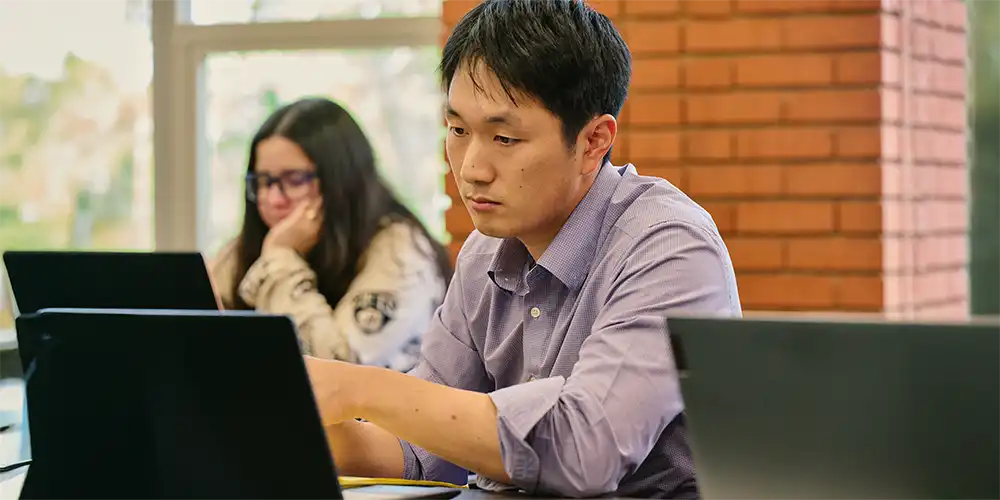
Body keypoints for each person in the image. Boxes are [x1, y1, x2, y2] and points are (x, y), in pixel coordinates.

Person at [302, 0, 741, 498]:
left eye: (505, 138)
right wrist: (278, 425)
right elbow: (419, 449)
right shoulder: (484, 255)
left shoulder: (668, 245)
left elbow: (584, 452)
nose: (471, 169)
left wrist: (363, 388)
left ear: (594, 141)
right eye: (458, 130)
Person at [209, 97, 452, 372]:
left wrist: (281, 260)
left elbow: (339, 370)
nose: (274, 199)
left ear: (339, 180)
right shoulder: (253, 245)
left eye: (294, 179)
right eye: (264, 181)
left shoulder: (400, 251)